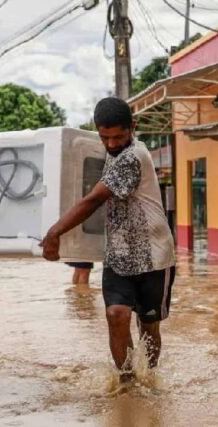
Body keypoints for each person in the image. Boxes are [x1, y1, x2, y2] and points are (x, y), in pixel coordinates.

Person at [41, 97, 176, 379]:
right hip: (117, 254)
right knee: (116, 316)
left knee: (149, 327)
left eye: (119, 137)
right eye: (105, 137)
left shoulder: (132, 157)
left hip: (154, 256)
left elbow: (92, 201)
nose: (112, 144)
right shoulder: (110, 151)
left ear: (133, 128)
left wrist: (54, 232)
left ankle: (148, 378)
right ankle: (127, 383)